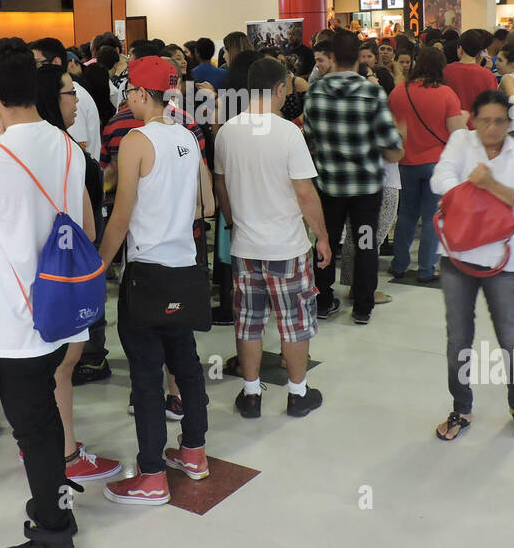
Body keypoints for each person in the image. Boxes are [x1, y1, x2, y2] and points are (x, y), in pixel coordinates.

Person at [0, 41, 108, 548]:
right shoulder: (70, 146)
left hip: (17, 312)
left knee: (35, 428)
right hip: (65, 305)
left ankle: (53, 537)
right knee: (45, 414)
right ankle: (52, 504)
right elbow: (87, 227)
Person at [97, 56, 215, 507]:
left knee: (146, 376)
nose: (127, 99)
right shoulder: (187, 135)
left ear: (143, 95)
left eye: (129, 91)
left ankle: (150, 476)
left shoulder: (135, 141)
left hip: (146, 273)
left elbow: (122, 215)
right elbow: (205, 206)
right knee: (185, 363)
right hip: (185, 268)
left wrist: (96, 269)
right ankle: (194, 452)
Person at [213, 57, 330, 419]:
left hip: (245, 247)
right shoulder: (288, 133)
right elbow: (305, 194)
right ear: (280, 89)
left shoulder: (227, 132)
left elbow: (221, 185)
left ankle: (250, 395)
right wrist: (323, 238)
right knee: (294, 322)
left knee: (248, 322)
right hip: (287, 247)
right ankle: (298, 393)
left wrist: (234, 222)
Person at [431, 91, 514, 442]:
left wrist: (490, 184)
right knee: (458, 338)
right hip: (457, 256)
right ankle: (461, 406)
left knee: (511, 337)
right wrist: (475, 194)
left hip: (503, 260)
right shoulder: (461, 141)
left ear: (509, 123)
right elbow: (439, 179)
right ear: (472, 120)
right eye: (484, 120)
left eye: (499, 121)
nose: (491, 128)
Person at [27, 62, 122, 463]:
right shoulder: (68, 152)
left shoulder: (13, 147)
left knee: (48, 368)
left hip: (31, 274)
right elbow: (88, 222)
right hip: (62, 274)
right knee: (61, 365)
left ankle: (44, 445)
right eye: (69, 92)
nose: (77, 100)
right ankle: (61, 451)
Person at [302, 30, 404, 325]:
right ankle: (362, 305)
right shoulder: (372, 92)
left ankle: (322, 300)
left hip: (329, 185)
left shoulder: (316, 92)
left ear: (332, 57)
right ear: (359, 57)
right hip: (366, 187)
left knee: (326, 241)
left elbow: (308, 140)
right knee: (365, 243)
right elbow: (390, 143)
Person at [387, 46, 466, 283]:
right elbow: (456, 132)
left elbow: (392, 128)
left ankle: (399, 264)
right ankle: (426, 269)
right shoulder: (446, 94)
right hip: (437, 164)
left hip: (405, 162)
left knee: (407, 214)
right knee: (433, 216)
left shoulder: (399, 91)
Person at [31, 37, 101, 160]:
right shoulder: (62, 92)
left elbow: (78, 146)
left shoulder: (69, 94)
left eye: (37, 63)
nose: (33, 70)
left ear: (56, 62)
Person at [443, 30, 498, 113]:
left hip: (451, 121)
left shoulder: (446, 70)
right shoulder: (488, 75)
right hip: (478, 123)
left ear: (460, 48)